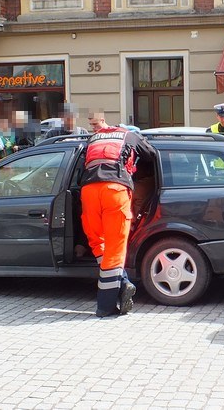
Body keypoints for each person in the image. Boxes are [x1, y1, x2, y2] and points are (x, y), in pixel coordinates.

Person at [81, 113, 156, 318]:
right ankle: (105, 306)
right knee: (115, 248)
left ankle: (122, 282)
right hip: (114, 189)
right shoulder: (129, 136)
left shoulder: (93, 138)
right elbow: (152, 155)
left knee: (98, 243)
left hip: (88, 191)